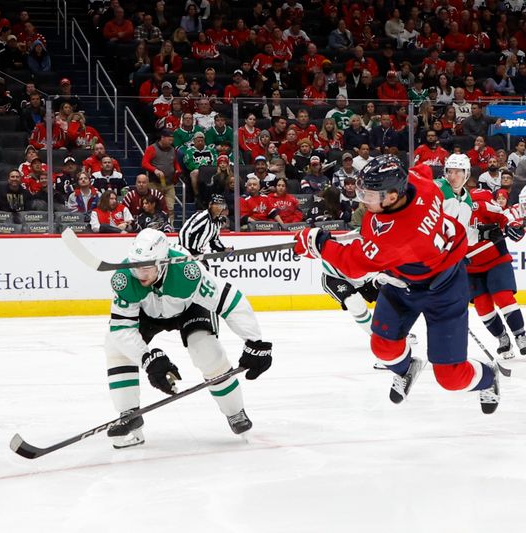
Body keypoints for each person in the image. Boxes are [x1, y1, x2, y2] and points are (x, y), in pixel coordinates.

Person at [292, 155, 501, 413]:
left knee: (451, 378)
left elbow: (353, 263)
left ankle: (488, 377)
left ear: (392, 196)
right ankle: (407, 368)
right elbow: (420, 169)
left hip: (445, 289)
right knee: (383, 346)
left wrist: (317, 244)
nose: (363, 200)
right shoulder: (418, 183)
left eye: (369, 195)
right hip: (405, 279)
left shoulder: (399, 236)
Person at [102, 228, 272, 447]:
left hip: (190, 308)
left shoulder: (187, 272)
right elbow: (121, 329)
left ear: (163, 262)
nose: (140, 274)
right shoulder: (124, 278)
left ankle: (235, 411)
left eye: (146, 268)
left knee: (205, 350)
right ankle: (128, 413)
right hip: (148, 312)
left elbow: (231, 301)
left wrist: (255, 342)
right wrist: (148, 359)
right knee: (115, 349)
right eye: (135, 266)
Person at [467, 186, 526, 359]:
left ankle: (520, 335)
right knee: (482, 307)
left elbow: (503, 216)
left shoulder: (477, 202)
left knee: (503, 297)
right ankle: (502, 338)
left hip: (495, 259)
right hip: (470, 267)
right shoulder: (445, 211)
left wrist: (509, 226)